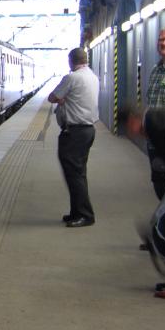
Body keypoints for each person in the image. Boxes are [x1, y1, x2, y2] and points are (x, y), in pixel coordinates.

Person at [48, 47, 99, 228]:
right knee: (78, 173)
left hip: (75, 132)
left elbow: (52, 97)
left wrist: (62, 99)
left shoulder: (72, 78)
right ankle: (76, 212)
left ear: (71, 61)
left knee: (75, 175)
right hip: (87, 130)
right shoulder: (92, 76)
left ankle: (85, 215)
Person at [145, 26, 165, 199]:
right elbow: (151, 103)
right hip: (155, 141)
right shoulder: (155, 70)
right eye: (161, 39)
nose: (164, 43)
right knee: (159, 182)